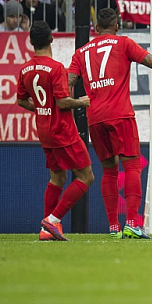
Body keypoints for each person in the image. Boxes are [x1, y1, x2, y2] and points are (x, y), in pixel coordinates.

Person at [67, 8, 152, 239]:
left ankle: (114, 227)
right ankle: (132, 223)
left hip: (94, 118)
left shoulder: (81, 52)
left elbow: (68, 81)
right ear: (116, 25)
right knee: (132, 166)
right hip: (120, 114)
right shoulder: (123, 43)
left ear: (95, 28)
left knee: (109, 170)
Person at [16, 21, 94, 241]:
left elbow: (22, 101)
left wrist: (42, 108)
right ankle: (53, 219)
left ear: (31, 42)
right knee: (86, 176)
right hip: (62, 130)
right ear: (52, 39)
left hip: (44, 131)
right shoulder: (56, 68)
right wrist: (82, 102)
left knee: (57, 177)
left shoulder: (25, 69)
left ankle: (45, 229)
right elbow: (62, 103)